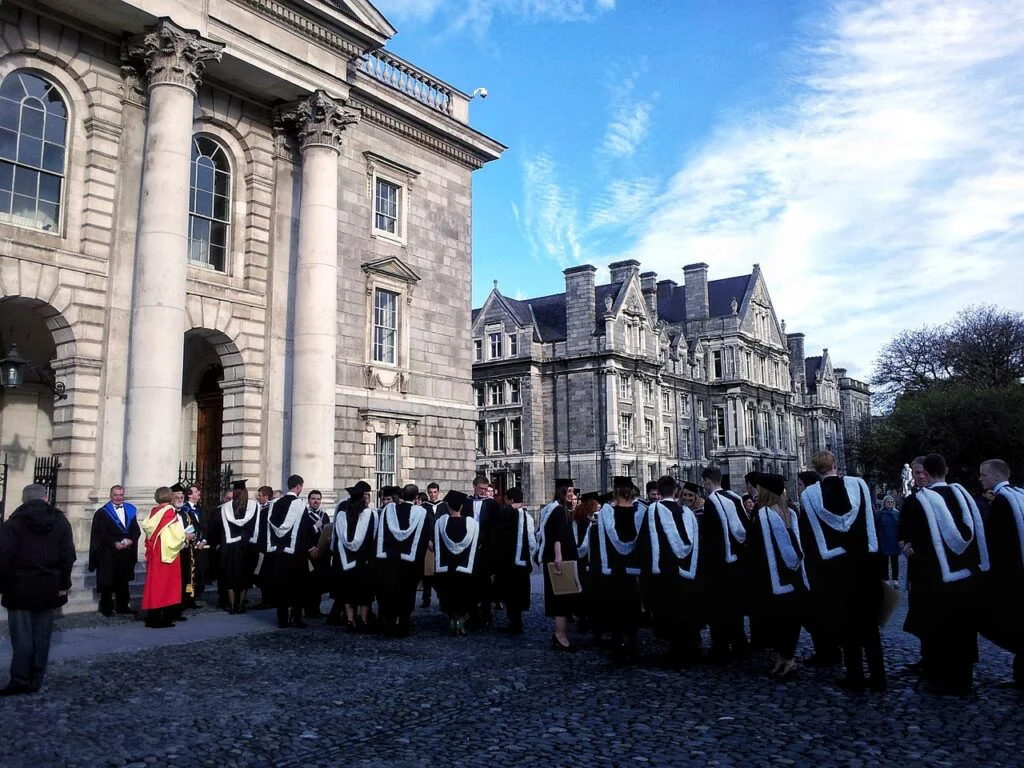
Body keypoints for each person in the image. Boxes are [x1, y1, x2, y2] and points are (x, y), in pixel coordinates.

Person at [898, 453, 988, 695]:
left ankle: (939, 677)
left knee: (939, 628)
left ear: (926, 472)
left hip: (935, 577)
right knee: (964, 628)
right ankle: (964, 678)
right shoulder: (965, 497)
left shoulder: (920, 501)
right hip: (967, 575)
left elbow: (913, 539)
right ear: (947, 470)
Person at [801, 451, 886, 693]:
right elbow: (871, 526)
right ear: (835, 465)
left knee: (847, 625)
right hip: (864, 566)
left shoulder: (809, 496)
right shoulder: (858, 486)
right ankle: (879, 677)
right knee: (870, 625)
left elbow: (809, 539)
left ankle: (855, 675)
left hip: (834, 570)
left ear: (816, 471)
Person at [0, 484, 75, 695]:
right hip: (48, 585)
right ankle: (35, 679)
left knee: (21, 637)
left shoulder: (13, 524)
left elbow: (3, 557)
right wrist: (64, 584)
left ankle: (20, 679)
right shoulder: (60, 521)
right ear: (45, 498)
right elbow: (68, 556)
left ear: (24, 500)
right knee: (42, 637)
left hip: (19, 587)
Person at [748, 473, 808, 681]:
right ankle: (784, 658)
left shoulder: (765, 514)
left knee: (782, 619)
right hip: (793, 576)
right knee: (787, 619)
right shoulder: (788, 512)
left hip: (775, 575)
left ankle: (787, 659)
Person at [645, 475, 702, 669]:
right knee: (684, 612)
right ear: (676, 490)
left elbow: (648, 542)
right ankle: (687, 651)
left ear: (659, 491)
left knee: (669, 613)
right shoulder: (687, 513)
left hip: (665, 571)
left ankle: (675, 653)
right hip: (686, 571)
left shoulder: (654, 511)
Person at [590, 476, 647, 663]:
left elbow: (601, 544)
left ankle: (617, 644)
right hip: (633, 569)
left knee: (615, 607)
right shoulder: (641, 513)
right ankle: (631, 644)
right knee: (632, 608)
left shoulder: (607, 513)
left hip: (614, 568)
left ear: (616, 492)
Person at [978, 459, 1023, 690]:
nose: (981, 479)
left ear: (996, 477)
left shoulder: (1002, 500)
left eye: (983, 475)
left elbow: (997, 542)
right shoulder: (1018, 495)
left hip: (1009, 574)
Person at [701, 466, 750, 665]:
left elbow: (711, 535)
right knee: (735, 606)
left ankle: (720, 646)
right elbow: (744, 527)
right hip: (737, 562)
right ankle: (739, 643)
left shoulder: (712, 501)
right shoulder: (735, 498)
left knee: (718, 608)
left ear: (707, 481)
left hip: (719, 563)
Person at [376, 483, 430, 637]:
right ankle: (403, 625)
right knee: (407, 593)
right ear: (416, 497)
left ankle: (390, 624)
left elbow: (382, 533)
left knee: (390, 592)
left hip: (390, 560)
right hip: (409, 562)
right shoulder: (421, 512)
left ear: (401, 496)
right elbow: (424, 538)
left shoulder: (389, 510)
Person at [328, 481, 377, 632]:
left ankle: (350, 621)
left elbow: (337, 536)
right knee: (364, 593)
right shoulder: (370, 514)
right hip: (363, 562)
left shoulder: (342, 513)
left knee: (348, 591)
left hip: (345, 560)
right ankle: (363, 620)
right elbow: (373, 537)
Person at [538, 478, 579, 651]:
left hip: (560, 557)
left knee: (562, 598)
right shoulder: (558, 511)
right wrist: (558, 556)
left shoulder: (556, 508)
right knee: (561, 599)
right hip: (559, 559)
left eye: (573, 491)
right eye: (569, 491)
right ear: (561, 492)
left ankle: (560, 635)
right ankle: (560, 636)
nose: (572, 494)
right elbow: (557, 537)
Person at [88, 484, 141, 617]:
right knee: (107, 581)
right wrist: (114, 543)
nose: (118, 498)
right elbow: (101, 532)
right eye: (115, 495)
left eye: (121, 495)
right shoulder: (102, 513)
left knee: (123, 580)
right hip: (108, 552)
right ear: (110, 495)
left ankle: (123, 606)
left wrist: (131, 540)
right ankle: (106, 608)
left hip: (125, 552)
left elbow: (135, 529)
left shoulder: (130, 510)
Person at [140, 486, 188, 629]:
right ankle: (163, 618)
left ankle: (152, 616)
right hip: (167, 554)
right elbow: (175, 534)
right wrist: (184, 538)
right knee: (167, 586)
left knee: (154, 585)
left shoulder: (153, 511)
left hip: (155, 551)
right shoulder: (169, 511)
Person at [264, 474, 308, 629]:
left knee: (281, 587)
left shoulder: (275, 504)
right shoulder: (300, 505)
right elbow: (305, 530)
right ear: (298, 486)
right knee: (297, 587)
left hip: (278, 552)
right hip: (295, 552)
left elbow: (270, 527)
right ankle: (296, 618)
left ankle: (282, 620)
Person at [433, 490, 479, 636]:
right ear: (462, 507)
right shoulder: (471, 524)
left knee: (450, 597)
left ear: (448, 507)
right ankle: (461, 624)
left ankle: (453, 622)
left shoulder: (440, 523)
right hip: (465, 568)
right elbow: (476, 545)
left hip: (446, 568)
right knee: (464, 597)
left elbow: (436, 543)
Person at [492, 486, 536, 635]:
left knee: (509, 595)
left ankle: (514, 622)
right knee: (518, 594)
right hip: (522, 563)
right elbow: (532, 543)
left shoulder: (506, 514)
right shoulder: (527, 517)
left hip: (507, 563)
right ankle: (516, 621)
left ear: (510, 500)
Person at [216, 480, 259, 614]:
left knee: (230, 576)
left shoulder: (225, 508)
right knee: (244, 576)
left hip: (230, 547)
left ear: (234, 492)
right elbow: (254, 527)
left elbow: (219, 528)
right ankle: (240, 605)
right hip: (246, 547)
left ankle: (232, 606)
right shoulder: (254, 506)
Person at [468, 475, 499, 628]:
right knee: (470, 583)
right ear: (474, 487)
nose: (483, 492)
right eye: (481, 489)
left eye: (486, 489)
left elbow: (495, 527)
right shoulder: (467, 503)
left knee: (485, 583)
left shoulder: (492, 504)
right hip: (469, 548)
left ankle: (486, 614)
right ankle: (472, 613)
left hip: (486, 549)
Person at [171, 483, 204, 615]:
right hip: (173, 551)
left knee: (188, 577)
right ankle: (176, 604)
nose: (180, 500)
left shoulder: (185, 514)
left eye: (181, 497)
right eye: (176, 497)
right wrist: (183, 536)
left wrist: (193, 537)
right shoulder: (168, 514)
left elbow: (192, 529)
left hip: (186, 551)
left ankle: (187, 599)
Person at [303, 490, 331, 618]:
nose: (316, 501)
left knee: (320, 583)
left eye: (318, 499)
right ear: (309, 500)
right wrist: (315, 527)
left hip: (322, 553)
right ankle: (308, 609)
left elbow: (327, 532)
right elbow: (302, 534)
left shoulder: (324, 515)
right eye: (313, 499)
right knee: (309, 583)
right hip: (309, 554)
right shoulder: (304, 515)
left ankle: (316, 608)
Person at [420, 482, 444, 608]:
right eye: (430, 492)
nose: (432, 495)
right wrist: (428, 540)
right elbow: (423, 526)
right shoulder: (424, 507)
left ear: (438, 492)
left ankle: (442, 597)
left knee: (440, 573)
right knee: (427, 573)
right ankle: (426, 598)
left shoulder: (444, 506)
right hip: (428, 544)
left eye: (435, 492)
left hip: (441, 543)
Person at [876, 495, 901, 586]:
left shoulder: (897, 513)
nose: (890, 503)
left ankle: (895, 580)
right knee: (884, 561)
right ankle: (885, 579)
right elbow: (875, 526)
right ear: (884, 503)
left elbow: (901, 527)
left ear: (893, 503)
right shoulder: (879, 513)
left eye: (891, 501)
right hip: (883, 540)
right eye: (888, 501)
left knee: (895, 560)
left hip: (894, 540)